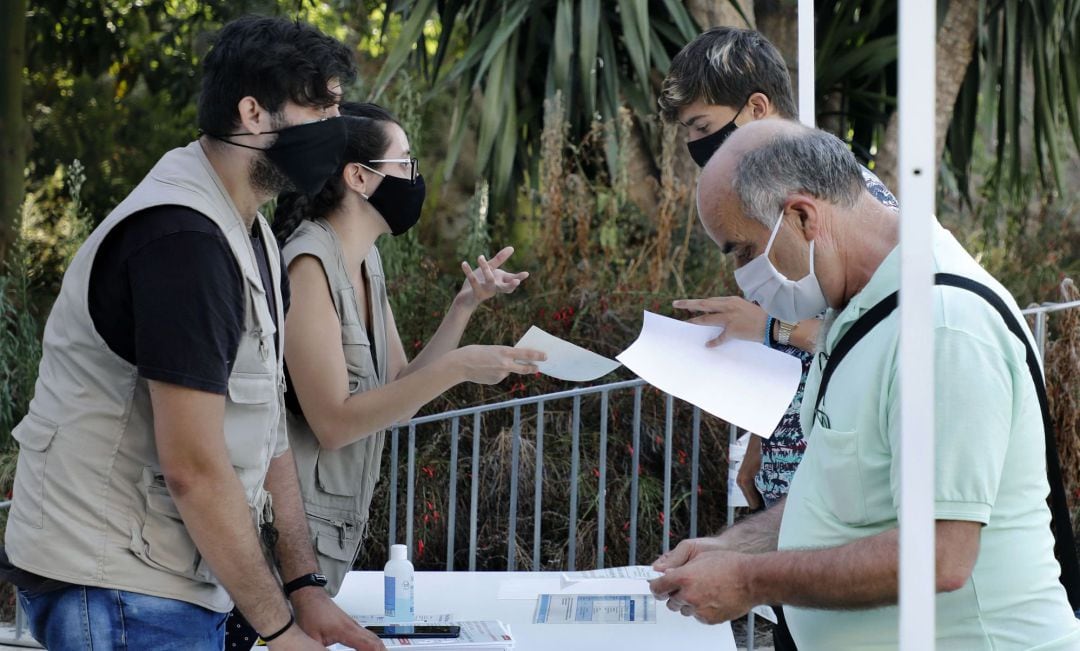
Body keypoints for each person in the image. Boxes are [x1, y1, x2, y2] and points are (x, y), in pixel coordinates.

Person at [1, 16, 383, 651]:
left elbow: (267, 431)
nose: (336, 131)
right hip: (120, 592)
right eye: (320, 110)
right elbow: (194, 468)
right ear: (253, 114)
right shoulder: (184, 241)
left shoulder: (250, 232)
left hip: (159, 584)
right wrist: (280, 630)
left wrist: (305, 587)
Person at [649, 118, 1080, 649]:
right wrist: (736, 547)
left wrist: (749, 580)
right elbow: (839, 498)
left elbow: (940, 556)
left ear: (802, 216)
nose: (742, 276)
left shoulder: (942, 326)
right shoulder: (859, 308)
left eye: (743, 251)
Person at [272, 102, 546, 596]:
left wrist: (463, 306)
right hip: (287, 550)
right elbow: (333, 424)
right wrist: (460, 366)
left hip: (330, 540)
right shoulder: (308, 266)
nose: (415, 177)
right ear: (359, 177)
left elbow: (399, 393)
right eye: (405, 162)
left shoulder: (366, 261)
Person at [659, 26, 899, 515]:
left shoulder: (848, 199)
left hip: (834, 477)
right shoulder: (761, 199)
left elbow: (877, 334)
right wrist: (759, 441)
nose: (697, 146)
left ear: (757, 108)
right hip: (789, 467)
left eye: (702, 127)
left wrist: (770, 328)